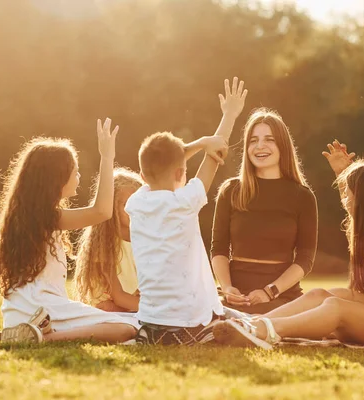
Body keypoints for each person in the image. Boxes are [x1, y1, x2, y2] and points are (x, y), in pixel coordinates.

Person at [212, 140, 364, 349]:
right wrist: (343, 173)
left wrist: (346, 296)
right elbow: (352, 208)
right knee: (319, 294)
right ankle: (250, 323)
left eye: (350, 193)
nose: (346, 199)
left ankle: (265, 331)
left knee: (334, 304)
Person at [0, 118, 139, 344]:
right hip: (41, 309)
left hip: (23, 312)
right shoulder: (46, 217)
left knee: (126, 327)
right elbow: (102, 211)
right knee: (128, 329)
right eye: (74, 172)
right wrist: (106, 157)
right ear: (56, 179)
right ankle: (42, 339)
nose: (79, 177)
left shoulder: (32, 216)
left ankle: (30, 334)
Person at [124, 77, 247, 345]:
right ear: (181, 172)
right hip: (190, 321)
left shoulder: (135, 202)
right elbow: (216, 156)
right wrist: (228, 117)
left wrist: (199, 143)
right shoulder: (184, 201)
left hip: (151, 321)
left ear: (142, 175)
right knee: (248, 323)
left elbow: (171, 164)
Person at [210, 108, 318, 314]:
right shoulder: (230, 191)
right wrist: (227, 288)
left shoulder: (302, 196)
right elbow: (219, 249)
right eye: (253, 140)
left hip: (281, 295)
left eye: (269, 139)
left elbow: (305, 259)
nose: (260, 146)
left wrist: (270, 291)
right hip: (235, 295)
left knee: (298, 318)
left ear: (282, 146)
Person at [74, 168, 143, 311]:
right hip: (108, 307)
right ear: (111, 207)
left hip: (132, 306)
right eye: (126, 204)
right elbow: (118, 297)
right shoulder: (103, 244)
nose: (134, 210)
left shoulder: (144, 242)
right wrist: (158, 311)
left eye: (139, 204)